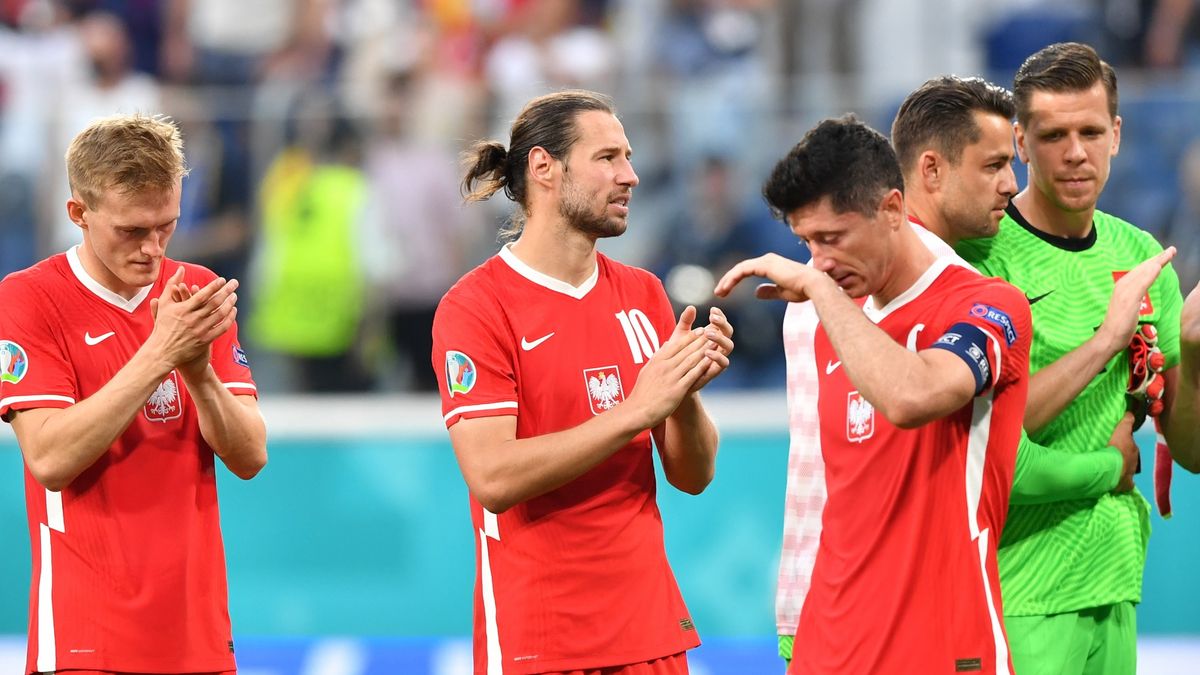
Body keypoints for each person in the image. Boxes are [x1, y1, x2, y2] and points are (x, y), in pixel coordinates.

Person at [772, 75, 1164, 666]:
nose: (1012, 184)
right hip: (900, 612)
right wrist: (1111, 461)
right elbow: (999, 457)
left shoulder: (825, 283)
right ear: (928, 172)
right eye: (994, 165)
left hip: (851, 609)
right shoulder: (844, 286)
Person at [431, 90, 734, 674]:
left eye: (629, 157)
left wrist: (685, 390)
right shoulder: (476, 307)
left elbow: (693, 476)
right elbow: (493, 476)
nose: (631, 176)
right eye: (608, 158)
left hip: (650, 631)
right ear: (544, 168)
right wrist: (637, 411)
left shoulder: (645, 294)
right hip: (540, 638)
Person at [717, 115, 1031, 674]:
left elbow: (916, 395)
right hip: (829, 642)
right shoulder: (824, 316)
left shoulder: (987, 306)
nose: (820, 261)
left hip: (945, 644)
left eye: (832, 238)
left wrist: (817, 290)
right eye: (807, 243)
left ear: (891, 209)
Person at [955, 42, 1200, 675]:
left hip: (1114, 577)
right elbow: (982, 434)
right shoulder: (984, 254)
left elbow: (1192, 450)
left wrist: (1194, 356)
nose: (1075, 152)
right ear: (1019, 141)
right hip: (1018, 588)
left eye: (1091, 131)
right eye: (1053, 134)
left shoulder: (1139, 251)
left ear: (1116, 134)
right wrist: (1103, 343)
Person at [0, 114, 267, 675]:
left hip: (200, 640)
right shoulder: (29, 299)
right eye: (131, 230)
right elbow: (49, 457)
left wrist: (199, 371)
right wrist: (161, 351)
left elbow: (249, 457)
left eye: (165, 226)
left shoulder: (193, 293)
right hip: (83, 643)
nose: (152, 247)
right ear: (79, 213)